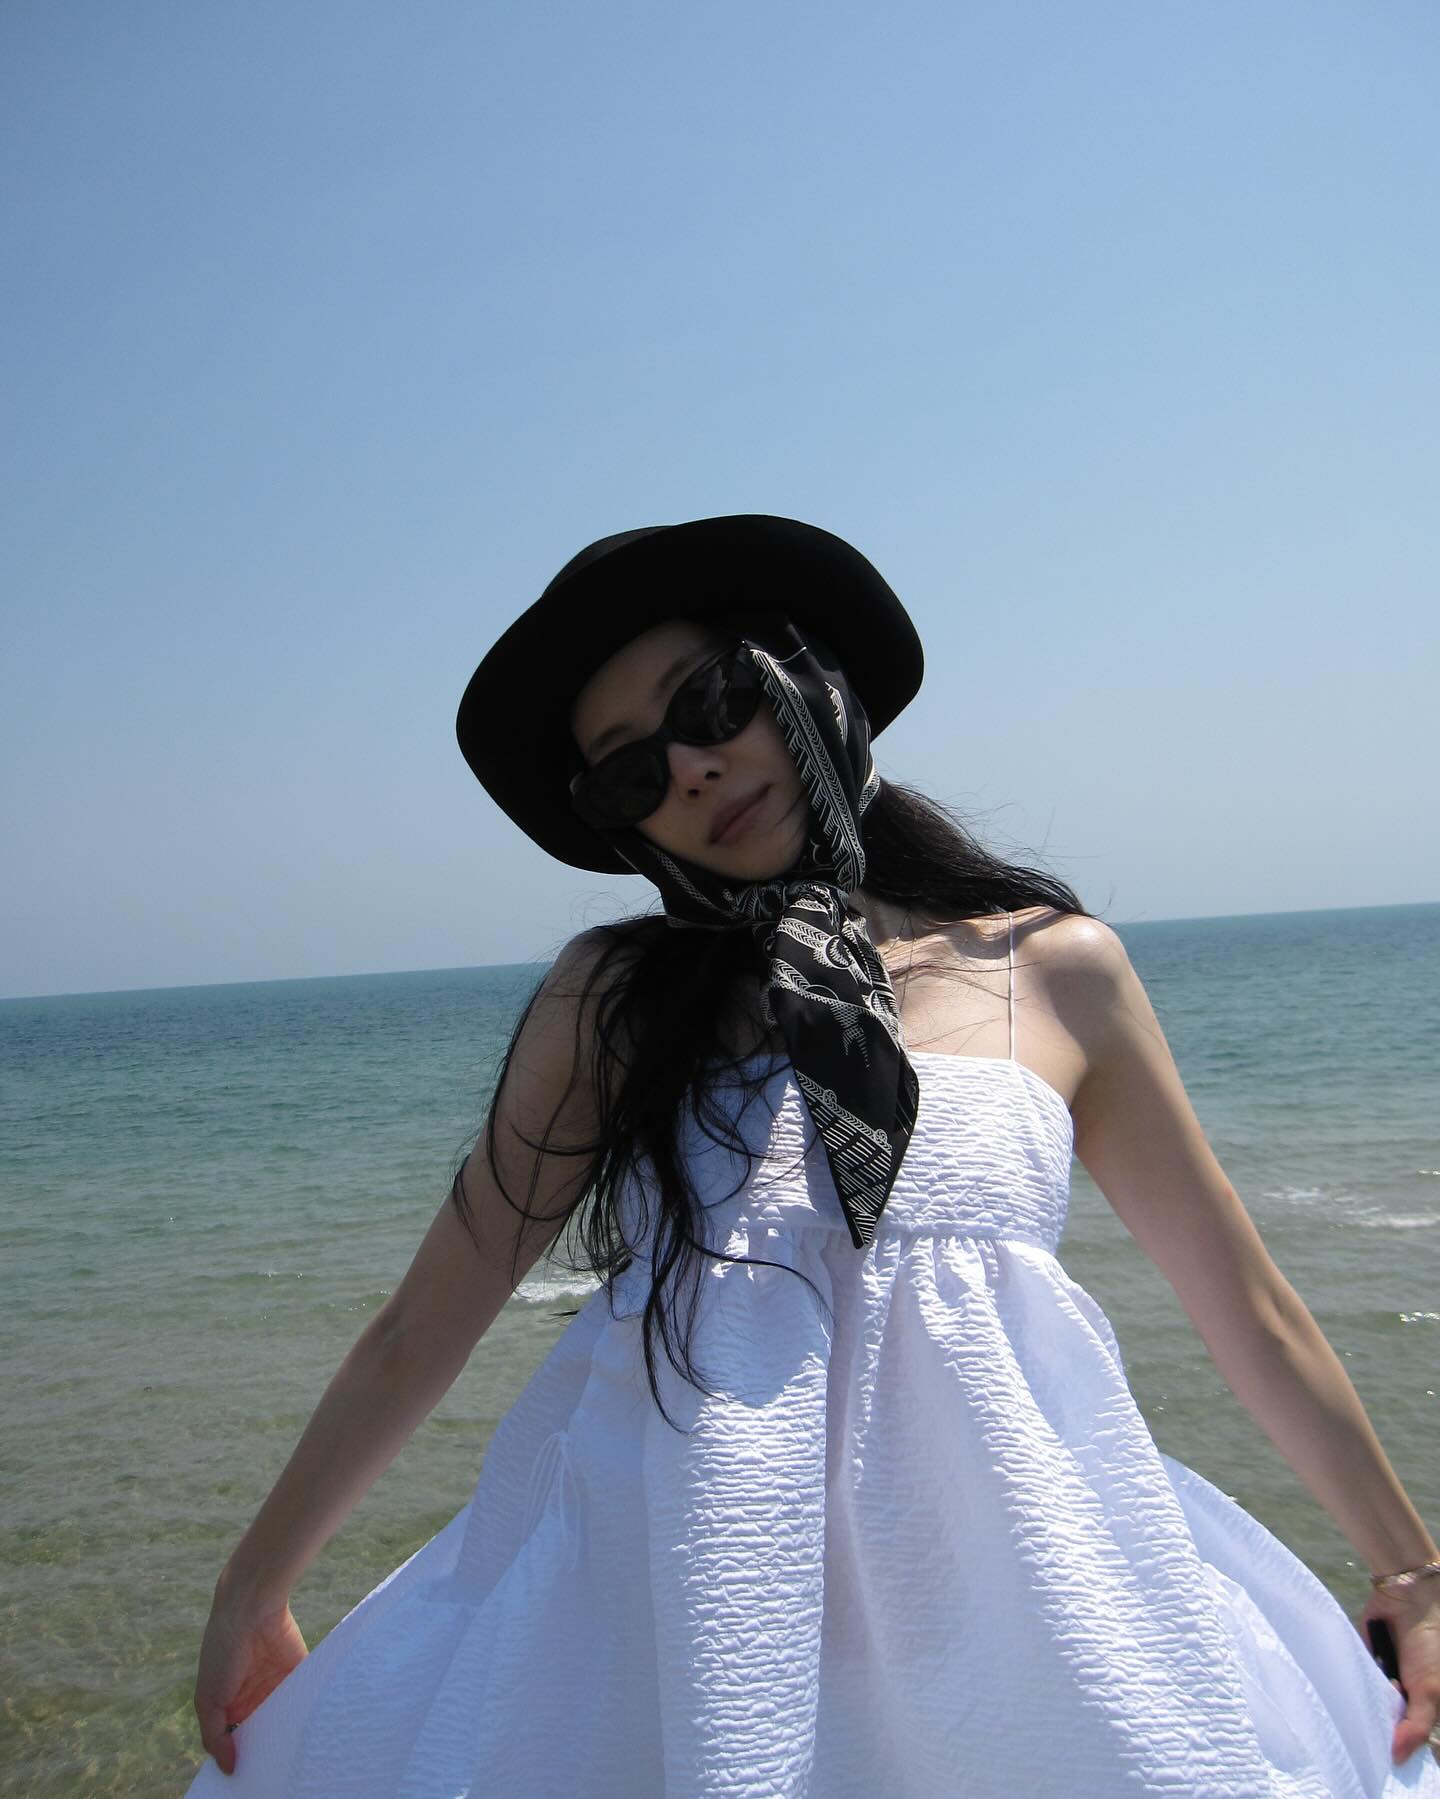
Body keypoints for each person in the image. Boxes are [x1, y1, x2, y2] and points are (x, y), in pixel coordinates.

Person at [189, 515, 1440, 1796]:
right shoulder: (609, 1002)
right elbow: (423, 1322)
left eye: (711, 701)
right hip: (673, 1607)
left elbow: (1247, 1307)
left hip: (1013, 1592)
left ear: (804, 677)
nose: (692, 768)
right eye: (631, 772)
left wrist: (1411, 1572)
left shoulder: (1056, 970)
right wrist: (254, 1585)